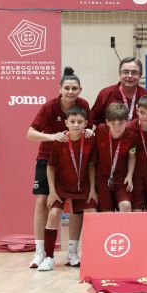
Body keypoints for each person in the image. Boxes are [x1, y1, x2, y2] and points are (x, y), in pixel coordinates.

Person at [26, 67, 92, 269]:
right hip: (48, 159)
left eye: (74, 88)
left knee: (76, 205)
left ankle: (73, 252)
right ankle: (40, 252)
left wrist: (89, 130)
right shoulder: (49, 107)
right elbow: (30, 133)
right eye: (67, 88)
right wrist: (51, 137)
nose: (70, 91)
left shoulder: (83, 105)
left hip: (75, 161)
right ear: (60, 89)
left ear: (80, 90)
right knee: (42, 201)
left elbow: (89, 126)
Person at [38, 106, 97, 271]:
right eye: (72, 121)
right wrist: (52, 191)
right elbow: (50, 168)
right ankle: (48, 257)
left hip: (82, 186)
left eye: (80, 122)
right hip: (61, 186)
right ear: (66, 123)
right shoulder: (59, 141)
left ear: (85, 123)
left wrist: (92, 189)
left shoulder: (90, 139)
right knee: (54, 213)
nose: (76, 124)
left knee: (89, 213)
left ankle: (74, 253)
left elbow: (92, 166)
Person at [91, 57, 147, 125]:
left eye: (134, 73)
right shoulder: (105, 94)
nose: (130, 76)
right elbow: (93, 121)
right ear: (120, 73)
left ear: (140, 75)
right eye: (126, 72)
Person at [94, 103, 137, 212]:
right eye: (113, 123)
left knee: (126, 205)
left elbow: (132, 156)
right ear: (107, 122)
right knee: (106, 213)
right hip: (103, 180)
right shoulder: (100, 130)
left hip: (121, 180)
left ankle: (124, 229)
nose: (117, 127)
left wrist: (129, 175)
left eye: (121, 123)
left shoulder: (131, 136)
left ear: (127, 122)